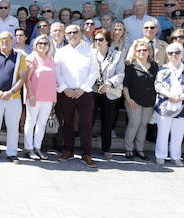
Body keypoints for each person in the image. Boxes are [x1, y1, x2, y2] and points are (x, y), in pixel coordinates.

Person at [55, 24, 98, 167]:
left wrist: (83, 89)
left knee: (86, 124)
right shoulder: (61, 52)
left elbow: (94, 72)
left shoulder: (90, 51)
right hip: (66, 93)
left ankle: (86, 154)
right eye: (69, 33)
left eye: (75, 32)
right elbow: (57, 72)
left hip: (84, 93)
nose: (72, 35)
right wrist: (64, 88)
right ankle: (68, 150)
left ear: (80, 34)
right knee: (67, 123)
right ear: (65, 36)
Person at [0, 31, 27, 161]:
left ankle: (12, 153)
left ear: (13, 40)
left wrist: (11, 92)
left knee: (13, 126)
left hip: (13, 97)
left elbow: (22, 77)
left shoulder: (20, 57)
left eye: (8, 38)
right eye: (2, 38)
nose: (5, 41)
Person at [154, 42, 184, 166]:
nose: (174, 55)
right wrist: (170, 96)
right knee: (162, 132)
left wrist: (181, 97)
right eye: (171, 53)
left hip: (183, 106)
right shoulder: (163, 69)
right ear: (168, 55)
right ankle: (160, 155)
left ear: (182, 54)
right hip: (164, 105)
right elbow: (158, 85)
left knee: (178, 134)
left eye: (177, 52)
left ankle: (176, 156)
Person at [122, 39, 159, 159]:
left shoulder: (154, 66)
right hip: (133, 100)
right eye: (139, 50)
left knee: (143, 125)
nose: (142, 52)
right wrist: (128, 100)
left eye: (145, 50)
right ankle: (128, 149)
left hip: (149, 101)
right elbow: (125, 85)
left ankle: (140, 149)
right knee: (134, 123)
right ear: (135, 52)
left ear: (149, 52)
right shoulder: (130, 66)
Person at [22, 35, 56, 160]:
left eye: (45, 43)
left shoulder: (51, 59)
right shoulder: (31, 58)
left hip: (48, 97)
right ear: (35, 44)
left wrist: (54, 98)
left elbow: (53, 79)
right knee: (31, 122)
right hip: (34, 96)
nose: (43, 45)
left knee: (41, 124)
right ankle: (28, 148)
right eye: (40, 43)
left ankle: (37, 147)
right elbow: (27, 79)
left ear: (49, 45)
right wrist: (31, 95)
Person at [92, 29, 125, 157]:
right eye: (95, 39)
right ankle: (87, 148)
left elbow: (121, 73)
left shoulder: (117, 55)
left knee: (107, 120)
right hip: (93, 91)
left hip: (109, 91)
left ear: (107, 41)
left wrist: (109, 83)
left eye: (101, 39)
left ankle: (106, 149)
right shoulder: (91, 54)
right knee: (90, 119)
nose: (97, 42)